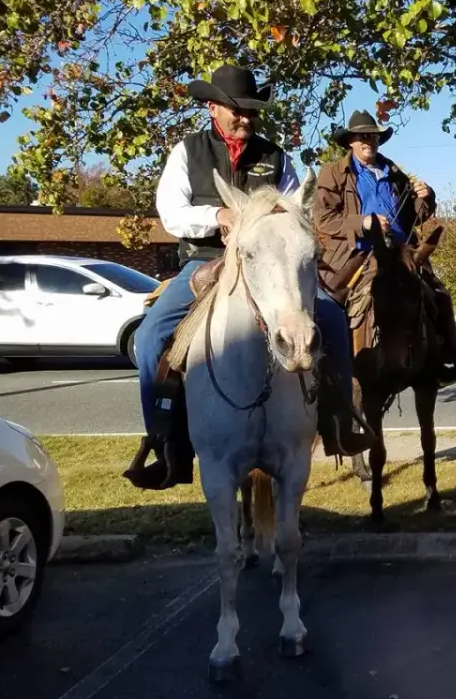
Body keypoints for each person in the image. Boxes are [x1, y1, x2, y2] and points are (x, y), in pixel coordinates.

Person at [125, 66, 375, 490]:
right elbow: (172, 212)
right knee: (150, 338)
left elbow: (298, 208)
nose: (245, 118)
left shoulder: (276, 157)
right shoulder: (188, 152)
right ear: (212, 108)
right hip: (206, 260)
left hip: (271, 260)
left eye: (251, 112)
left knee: (331, 318)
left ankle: (338, 423)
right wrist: (219, 215)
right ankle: (165, 443)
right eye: (235, 110)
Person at [312, 109, 456, 387]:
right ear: (350, 141)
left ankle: (444, 364)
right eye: (362, 137)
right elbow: (323, 219)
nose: (368, 142)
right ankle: (323, 368)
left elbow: (415, 217)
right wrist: (363, 222)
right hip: (355, 254)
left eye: (373, 137)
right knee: (327, 304)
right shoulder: (333, 174)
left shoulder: (395, 172)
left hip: (400, 252)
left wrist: (426, 197)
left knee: (438, 295)